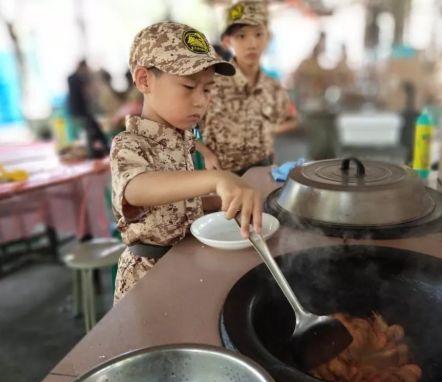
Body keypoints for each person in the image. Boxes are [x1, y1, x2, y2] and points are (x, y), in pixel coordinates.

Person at [110, 22, 262, 302]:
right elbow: (136, 188)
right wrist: (216, 179)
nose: (200, 101)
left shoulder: (180, 139)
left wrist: (217, 201)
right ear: (144, 80)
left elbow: (173, 204)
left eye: (206, 90)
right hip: (148, 281)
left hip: (186, 265)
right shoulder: (129, 143)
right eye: (189, 86)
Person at [198, 1, 298, 175]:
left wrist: (268, 129)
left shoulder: (272, 85)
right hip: (224, 179)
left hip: (265, 173)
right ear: (227, 41)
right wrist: (205, 152)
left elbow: (291, 119)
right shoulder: (211, 83)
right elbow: (179, 130)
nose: (252, 44)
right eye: (241, 36)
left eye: (259, 34)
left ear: (268, 38)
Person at [67, 60, 109, 158]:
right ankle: (100, 148)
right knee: (93, 127)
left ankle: (99, 148)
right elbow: (85, 93)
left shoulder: (73, 78)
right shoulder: (78, 78)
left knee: (93, 127)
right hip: (79, 110)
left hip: (78, 109)